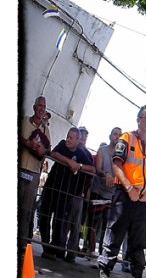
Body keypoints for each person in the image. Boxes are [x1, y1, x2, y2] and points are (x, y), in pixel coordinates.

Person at [97, 105, 146, 278]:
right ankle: (105, 273)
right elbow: (117, 165)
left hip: (141, 199)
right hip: (124, 194)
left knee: (138, 240)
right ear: (139, 120)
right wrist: (129, 188)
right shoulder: (126, 138)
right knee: (115, 234)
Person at [38, 127, 94, 261]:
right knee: (44, 216)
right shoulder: (62, 144)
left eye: (71, 138)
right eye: (67, 136)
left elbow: (92, 168)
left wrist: (79, 166)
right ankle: (46, 245)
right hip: (51, 187)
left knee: (59, 222)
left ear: (77, 140)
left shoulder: (81, 153)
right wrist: (69, 161)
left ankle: (54, 248)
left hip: (64, 193)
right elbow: (53, 153)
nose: (68, 140)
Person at [19, 96, 51, 255]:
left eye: (44, 106)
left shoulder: (46, 130)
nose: (41, 108)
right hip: (19, 169)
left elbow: (49, 149)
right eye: (39, 105)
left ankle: (22, 244)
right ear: (34, 107)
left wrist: (43, 151)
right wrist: (27, 143)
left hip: (34, 173)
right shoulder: (24, 121)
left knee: (27, 210)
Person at [87, 128, 121, 255]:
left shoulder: (121, 155)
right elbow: (98, 168)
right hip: (98, 191)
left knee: (108, 226)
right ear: (110, 136)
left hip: (112, 195)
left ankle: (103, 254)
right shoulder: (102, 150)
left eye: (120, 135)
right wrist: (106, 174)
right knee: (94, 223)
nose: (117, 136)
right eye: (115, 134)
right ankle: (91, 251)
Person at [63, 127, 95, 262]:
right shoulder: (70, 149)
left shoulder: (87, 154)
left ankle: (71, 252)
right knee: (64, 221)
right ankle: (60, 249)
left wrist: (85, 192)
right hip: (65, 190)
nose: (83, 138)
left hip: (79, 192)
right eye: (81, 135)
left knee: (76, 225)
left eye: (85, 136)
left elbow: (92, 172)